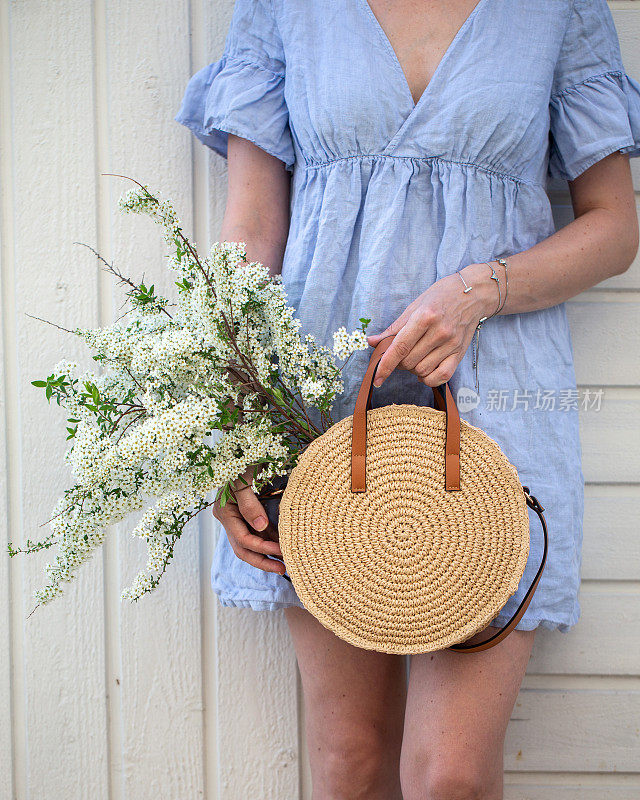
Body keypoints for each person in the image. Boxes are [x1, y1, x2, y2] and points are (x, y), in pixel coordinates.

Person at [175, 1, 640, 797]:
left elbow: (615, 225)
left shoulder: (557, 11)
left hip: (495, 394)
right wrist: (229, 433)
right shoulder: (283, 8)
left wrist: (476, 292)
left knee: (448, 779)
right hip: (317, 404)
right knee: (350, 762)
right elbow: (250, 227)